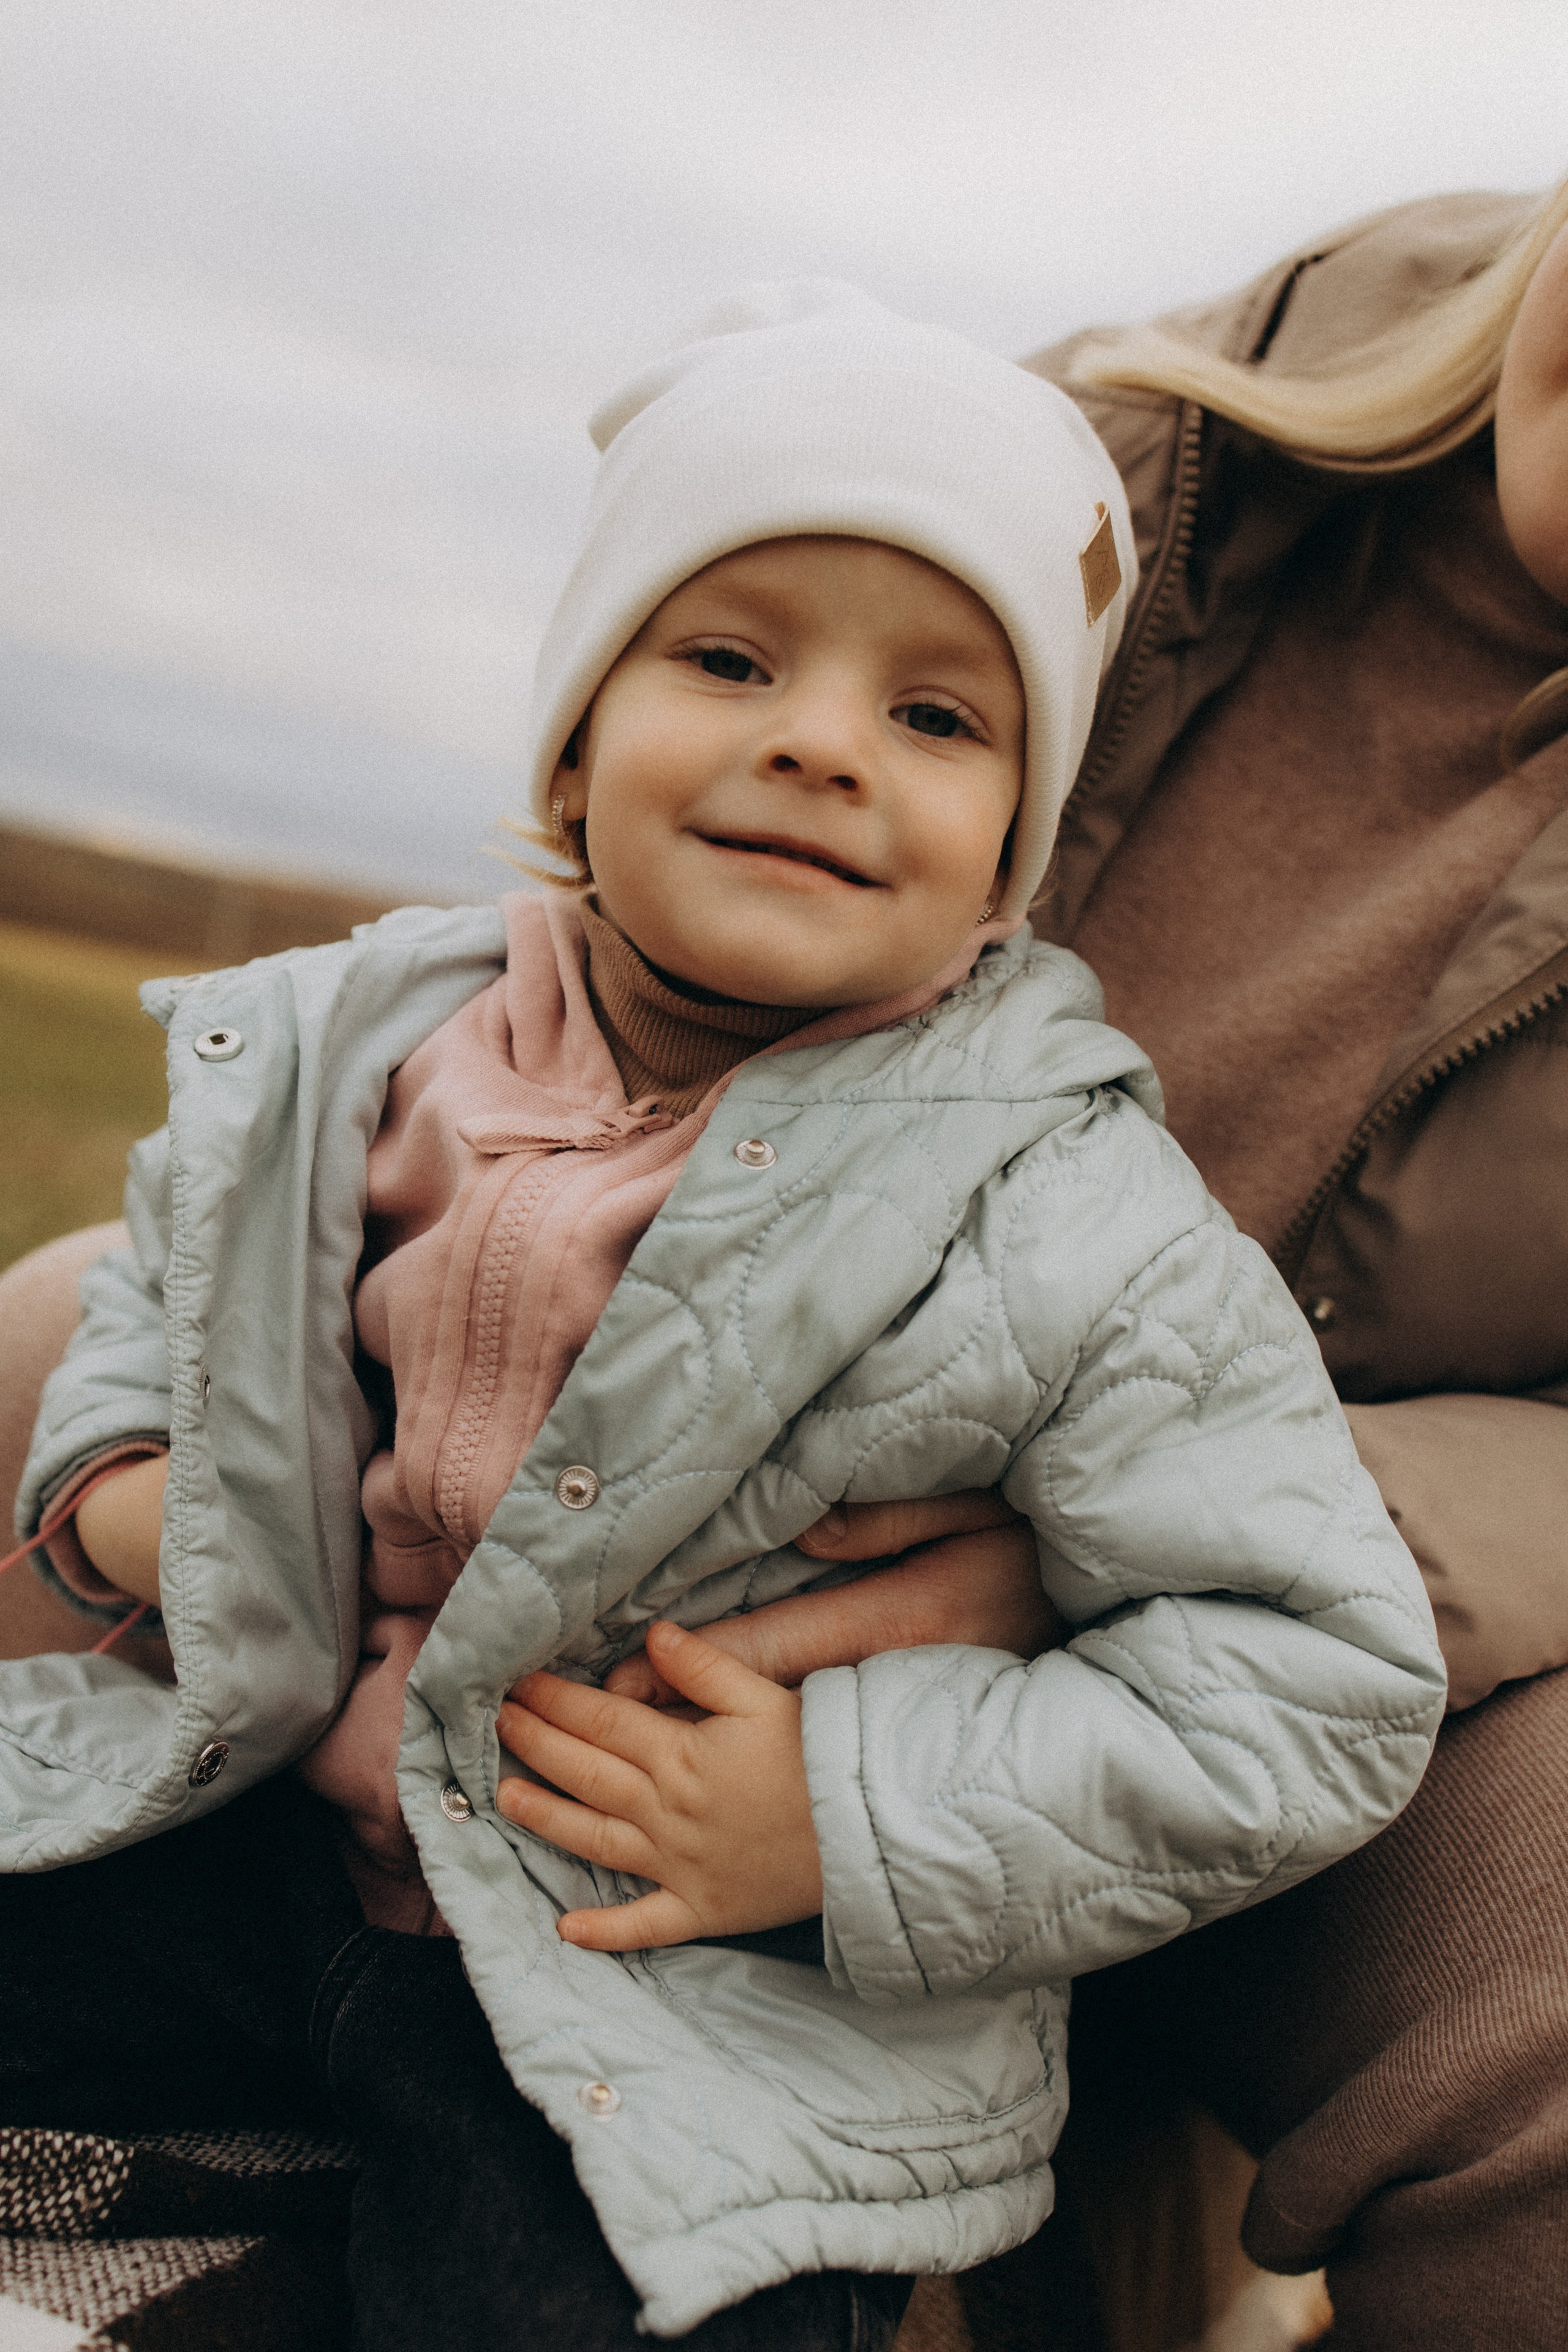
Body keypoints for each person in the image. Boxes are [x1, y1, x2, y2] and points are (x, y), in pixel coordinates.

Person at [0, 287, 1443, 2349]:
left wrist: (842, 1815)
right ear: (578, 733)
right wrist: (127, 1479)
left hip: (678, 1993)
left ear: (1014, 859)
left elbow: (1316, 1679)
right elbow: (174, 1269)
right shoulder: (373, 1038)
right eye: (731, 656)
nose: (821, 740)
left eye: (940, 718)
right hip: (270, 1840)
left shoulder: (1062, 1208)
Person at [646, 181, 1568, 2351]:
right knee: (72, 1359)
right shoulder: (1117, 469)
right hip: (692, 1466)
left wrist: (1152, 1551)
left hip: (1311, 1646)